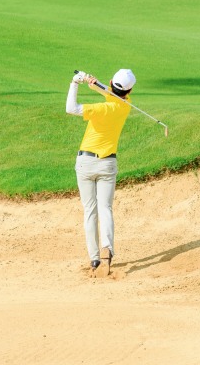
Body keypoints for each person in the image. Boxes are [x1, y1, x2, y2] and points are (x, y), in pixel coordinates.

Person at [66, 68, 135, 276]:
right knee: (105, 208)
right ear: (129, 90)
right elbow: (112, 93)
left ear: (112, 81)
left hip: (86, 163)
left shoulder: (100, 109)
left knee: (90, 211)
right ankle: (108, 250)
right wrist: (94, 84)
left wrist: (75, 83)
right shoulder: (126, 105)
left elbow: (71, 108)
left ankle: (94, 259)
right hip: (108, 164)